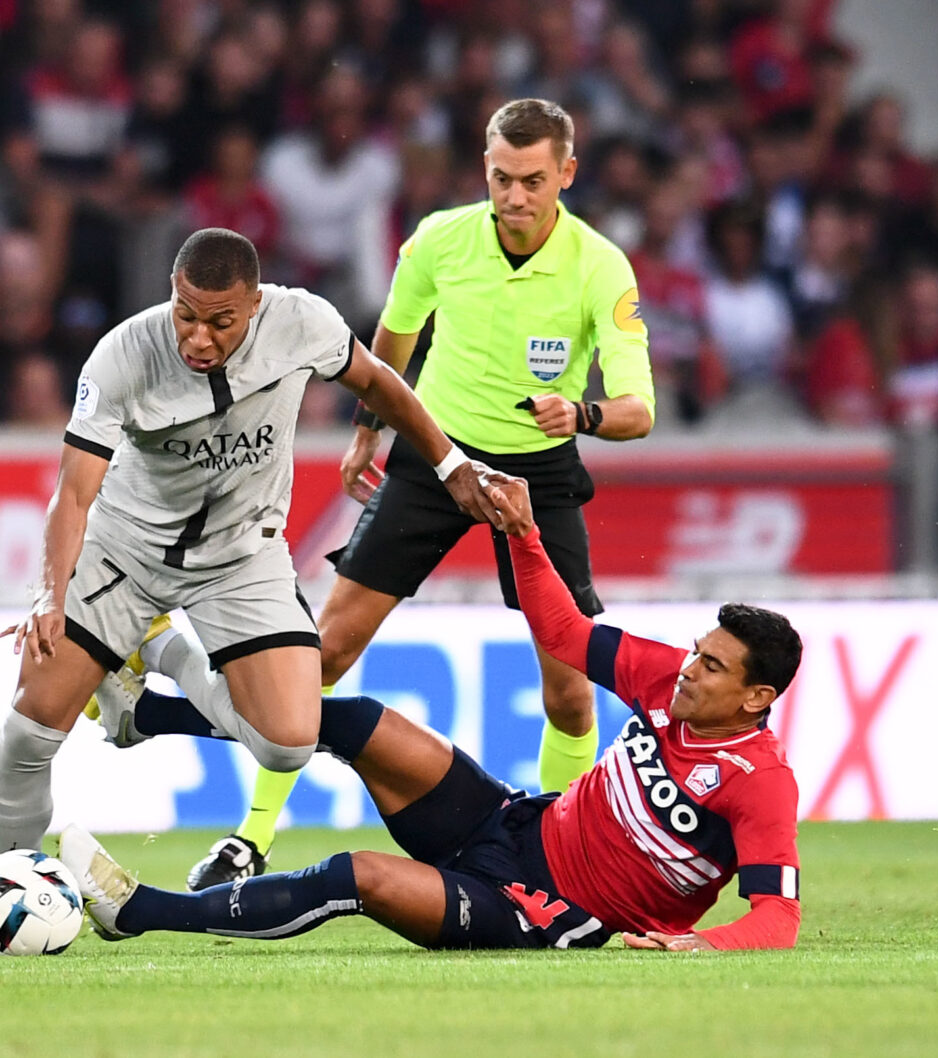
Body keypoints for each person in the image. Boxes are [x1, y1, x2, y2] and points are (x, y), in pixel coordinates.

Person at [0, 227, 499, 955]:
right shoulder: (123, 354)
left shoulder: (304, 322)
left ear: (256, 303)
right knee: (29, 731)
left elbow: (377, 382)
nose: (198, 337)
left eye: (219, 320)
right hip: (124, 553)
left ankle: (159, 669)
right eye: (186, 314)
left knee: (286, 745)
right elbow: (72, 495)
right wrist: (51, 597)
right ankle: (1, 918)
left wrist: (450, 461)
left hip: (242, 558)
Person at [188, 98, 655, 891]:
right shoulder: (439, 240)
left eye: (534, 180)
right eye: (502, 178)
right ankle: (250, 837)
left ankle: (563, 861)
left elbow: (639, 411)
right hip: (437, 459)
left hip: (537, 475)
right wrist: (371, 425)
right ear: (485, 169)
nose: (515, 196)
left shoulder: (600, 265)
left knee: (571, 690)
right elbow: (393, 340)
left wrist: (579, 413)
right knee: (324, 650)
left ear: (567, 174)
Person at [65, 472, 802, 953]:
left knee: (357, 876)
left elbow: (778, 917)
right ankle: (149, 719)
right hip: (508, 821)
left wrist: (704, 945)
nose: (688, 669)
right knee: (353, 720)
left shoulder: (758, 783)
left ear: (756, 697)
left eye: (711, 665)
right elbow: (565, 634)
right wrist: (522, 534)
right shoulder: (663, 681)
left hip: (541, 909)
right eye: (696, 650)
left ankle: (140, 911)